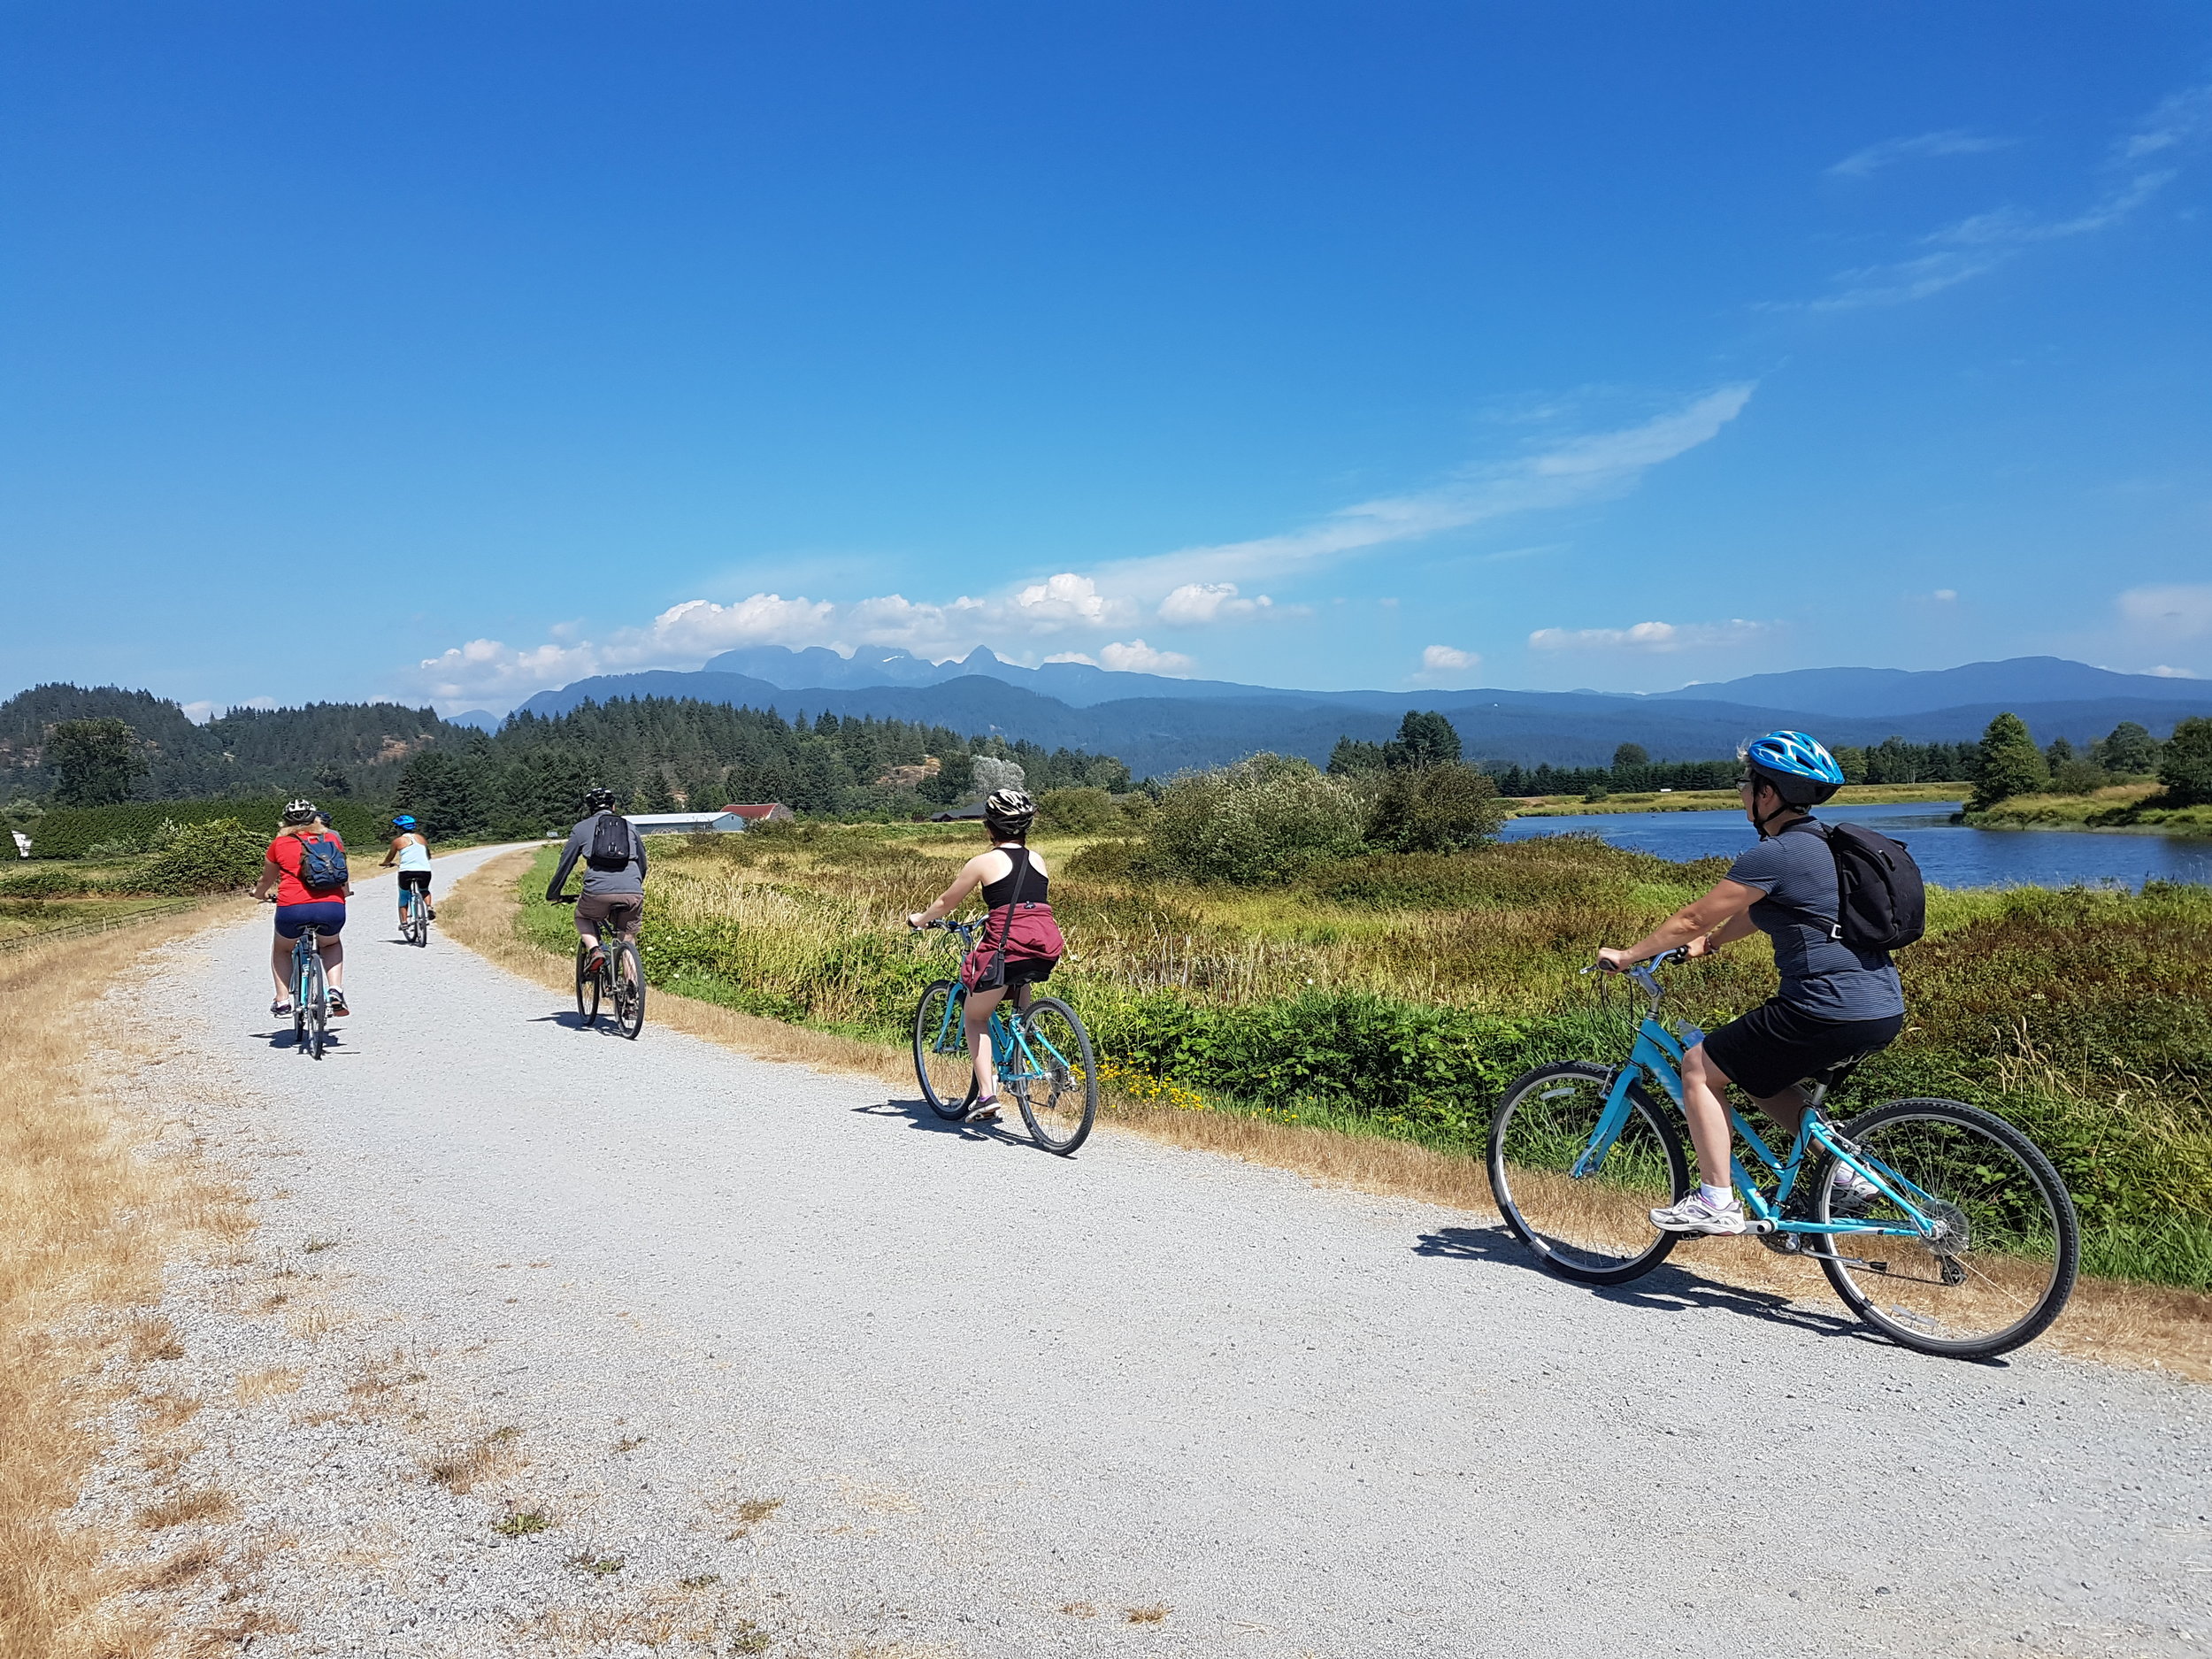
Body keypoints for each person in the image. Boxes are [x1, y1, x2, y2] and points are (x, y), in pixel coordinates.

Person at [1595, 731, 1904, 1236]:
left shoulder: (1777, 853)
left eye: (1747, 783)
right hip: (1879, 1007)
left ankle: (1716, 1201)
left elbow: (1693, 917)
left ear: (1769, 794)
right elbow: (1762, 910)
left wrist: (1629, 956)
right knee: (1756, 1072)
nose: (1742, 793)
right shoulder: (1826, 846)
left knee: (1698, 1066)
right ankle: (1849, 1173)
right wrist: (1712, 945)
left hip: (1823, 1007)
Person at [904, 787, 1065, 1124]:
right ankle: (1023, 1050)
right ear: (1025, 828)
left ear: (989, 826)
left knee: (975, 1016)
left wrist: (920, 919)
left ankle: (986, 1095)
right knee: (1018, 1009)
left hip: (1006, 950)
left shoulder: (983, 862)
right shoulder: (1038, 860)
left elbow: (947, 903)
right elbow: (1022, 904)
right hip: (1043, 948)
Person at [253, 798, 352, 1018]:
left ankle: (282, 1001)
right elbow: (342, 873)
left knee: (283, 948)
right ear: (315, 818)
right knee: (331, 943)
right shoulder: (332, 839)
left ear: (284, 822)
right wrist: (344, 893)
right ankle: (335, 989)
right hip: (332, 906)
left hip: (292, 908)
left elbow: (266, 880)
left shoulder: (279, 844)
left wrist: (259, 894)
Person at [547, 786, 647, 972]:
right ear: (614, 807)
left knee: (582, 916)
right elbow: (642, 862)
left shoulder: (580, 829)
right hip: (632, 890)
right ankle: (632, 992)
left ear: (590, 809)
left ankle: (595, 951)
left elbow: (565, 865)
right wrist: (635, 886)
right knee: (628, 940)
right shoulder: (629, 826)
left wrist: (554, 893)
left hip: (597, 891)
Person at [380, 814, 434, 926]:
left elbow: (390, 856)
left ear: (399, 829)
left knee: (404, 894)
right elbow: (428, 855)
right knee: (424, 890)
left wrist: (386, 863)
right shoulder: (421, 839)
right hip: (424, 870)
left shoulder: (398, 841)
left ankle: (404, 922)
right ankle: (429, 907)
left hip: (406, 871)